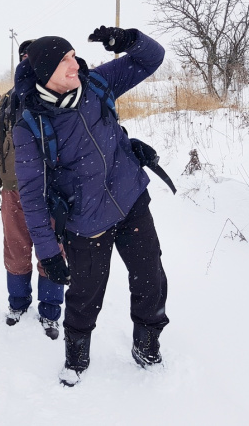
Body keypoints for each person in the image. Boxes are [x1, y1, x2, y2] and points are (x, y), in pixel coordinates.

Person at [13, 27, 169, 387]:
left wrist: (129, 41)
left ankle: (147, 343)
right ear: (44, 75)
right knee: (85, 295)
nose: (74, 64)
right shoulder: (31, 125)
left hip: (131, 200)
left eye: (72, 55)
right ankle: (76, 354)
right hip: (85, 220)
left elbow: (152, 59)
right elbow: (32, 196)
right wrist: (48, 251)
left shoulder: (96, 83)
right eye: (64, 61)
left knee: (151, 279)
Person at [0, 39, 64, 340]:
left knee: (53, 250)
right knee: (16, 248)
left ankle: (50, 310)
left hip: (53, 191)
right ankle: (18, 303)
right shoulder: (8, 100)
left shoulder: (62, 96)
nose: (27, 64)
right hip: (14, 189)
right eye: (23, 58)